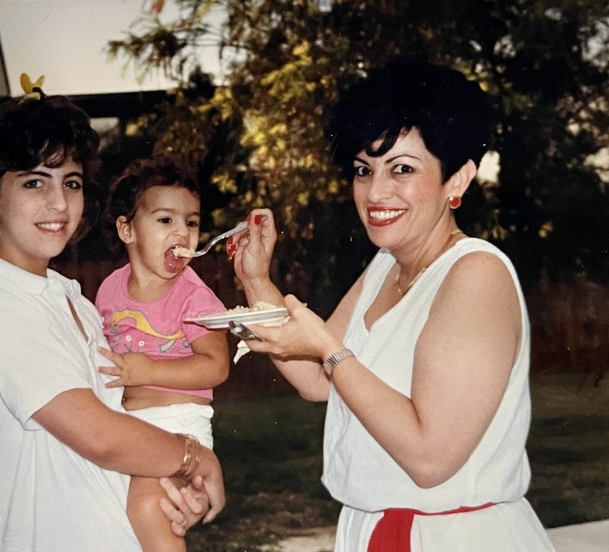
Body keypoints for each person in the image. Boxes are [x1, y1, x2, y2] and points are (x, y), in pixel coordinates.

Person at [227, 58, 555, 551]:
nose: (375, 192)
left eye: (402, 169)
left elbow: (430, 459)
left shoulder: (475, 275)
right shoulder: (386, 263)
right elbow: (317, 377)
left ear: (458, 180)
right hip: (373, 530)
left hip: (450, 537)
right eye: (364, 170)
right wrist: (256, 281)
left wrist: (330, 350)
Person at [0, 82, 224, 552]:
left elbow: (124, 440)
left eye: (70, 182)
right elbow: (99, 437)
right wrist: (193, 458)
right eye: (34, 182)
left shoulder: (72, 300)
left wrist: (173, 492)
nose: (58, 204)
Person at [94, 156, 230, 551]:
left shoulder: (195, 296)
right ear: (127, 229)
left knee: (151, 509)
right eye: (165, 220)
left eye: (191, 222)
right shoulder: (109, 290)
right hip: (127, 425)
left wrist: (148, 369)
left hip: (178, 424)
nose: (183, 233)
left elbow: (216, 366)